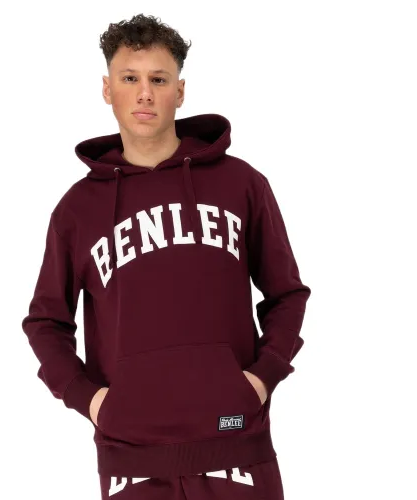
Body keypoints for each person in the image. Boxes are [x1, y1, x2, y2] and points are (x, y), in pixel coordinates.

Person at [21, 13, 311, 500]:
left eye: (158, 80)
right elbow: (46, 322)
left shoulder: (241, 184)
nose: (144, 94)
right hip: (131, 457)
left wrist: (261, 379)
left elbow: (287, 294)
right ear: (107, 89)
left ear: (180, 91)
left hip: (237, 440)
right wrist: (90, 400)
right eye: (129, 79)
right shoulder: (77, 209)